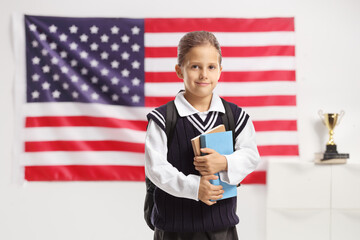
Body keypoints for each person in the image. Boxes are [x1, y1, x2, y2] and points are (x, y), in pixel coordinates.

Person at [145, 31, 261, 240]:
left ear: (220, 71)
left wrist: (224, 162)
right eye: (195, 66)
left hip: (221, 228)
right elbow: (156, 168)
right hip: (174, 229)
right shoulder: (163, 118)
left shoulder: (235, 116)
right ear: (180, 70)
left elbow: (251, 155)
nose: (204, 75)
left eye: (211, 67)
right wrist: (195, 187)